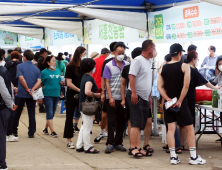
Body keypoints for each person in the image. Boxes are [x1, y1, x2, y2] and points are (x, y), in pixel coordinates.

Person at [158, 43, 206, 165]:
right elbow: (186, 86)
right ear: (180, 53)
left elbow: (160, 87)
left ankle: (173, 157)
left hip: (169, 104)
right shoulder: (185, 66)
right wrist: (179, 101)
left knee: (171, 129)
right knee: (189, 128)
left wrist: (168, 99)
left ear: (170, 53)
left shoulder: (163, 67)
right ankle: (193, 157)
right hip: (181, 103)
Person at [125, 40, 155, 158]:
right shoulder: (138, 60)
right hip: (135, 96)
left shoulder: (147, 61)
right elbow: (131, 76)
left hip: (144, 97)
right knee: (135, 123)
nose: (155, 50)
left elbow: (146, 81)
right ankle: (133, 148)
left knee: (140, 124)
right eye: (154, 47)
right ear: (149, 48)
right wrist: (133, 92)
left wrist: (148, 96)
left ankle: (138, 147)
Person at [103, 42, 129, 153]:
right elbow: (107, 83)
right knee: (111, 121)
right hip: (112, 97)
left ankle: (119, 142)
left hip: (123, 98)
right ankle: (110, 142)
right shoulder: (108, 65)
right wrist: (110, 97)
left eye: (123, 53)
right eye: (119, 53)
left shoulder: (127, 64)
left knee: (122, 121)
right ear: (114, 53)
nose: (121, 55)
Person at [12, 50, 41, 138]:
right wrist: (32, 89)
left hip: (21, 92)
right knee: (31, 113)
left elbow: (21, 78)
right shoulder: (36, 68)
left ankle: (14, 131)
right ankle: (31, 132)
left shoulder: (20, 66)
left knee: (17, 112)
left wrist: (27, 89)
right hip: (33, 94)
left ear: (24, 57)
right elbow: (39, 81)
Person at [94, 42, 117, 143]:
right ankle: (102, 132)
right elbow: (103, 77)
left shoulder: (125, 61)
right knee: (104, 115)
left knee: (116, 116)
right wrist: (103, 92)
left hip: (119, 93)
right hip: (107, 92)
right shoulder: (107, 61)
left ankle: (113, 135)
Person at [76, 58, 101, 153]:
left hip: (83, 105)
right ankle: (87, 147)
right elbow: (87, 91)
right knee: (87, 127)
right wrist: (96, 94)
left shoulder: (84, 76)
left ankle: (79, 145)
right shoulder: (89, 78)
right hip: (88, 106)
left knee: (84, 126)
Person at [63, 46, 85, 149]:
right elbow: (69, 83)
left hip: (82, 95)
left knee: (85, 117)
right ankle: (69, 140)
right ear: (80, 54)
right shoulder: (70, 66)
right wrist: (80, 90)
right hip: (72, 95)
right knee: (69, 117)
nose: (85, 55)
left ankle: (84, 140)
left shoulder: (84, 66)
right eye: (84, 53)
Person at [161, 54, 182, 154]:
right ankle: (174, 146)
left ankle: (175, 148)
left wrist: (165, 100)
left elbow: (162, 88)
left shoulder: (165, 70)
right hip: (177, 101)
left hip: (170, 101)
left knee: (171, 127)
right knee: (174, 126)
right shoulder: (180, 69)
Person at [0, 51, 17, 170]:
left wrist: (10, 104)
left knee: (1, 136)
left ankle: (1, 163)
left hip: (2, 108)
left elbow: (5, 92)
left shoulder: (1, 72)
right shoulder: (3, 71)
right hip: (3, 107)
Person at [41, 56, 64, 138]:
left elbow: (60, 81)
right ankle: (52, 131)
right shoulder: (44, 72)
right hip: (47, 95)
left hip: (56, 94)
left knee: (52, 113)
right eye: (53, 61)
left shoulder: (58, 71)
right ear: (48, 63)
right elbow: (41, 83)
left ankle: (46, 128)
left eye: (55, 61)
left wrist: (62, 83)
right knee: (49, 112)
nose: (55, 62)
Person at [37, 48, 48, 113]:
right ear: (44, 52)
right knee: (43, 92)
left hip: (40, 78)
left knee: (40, 92)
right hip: (43, 79)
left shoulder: (39, 59)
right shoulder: (43, 59)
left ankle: (41, 107)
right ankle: (42, 107)